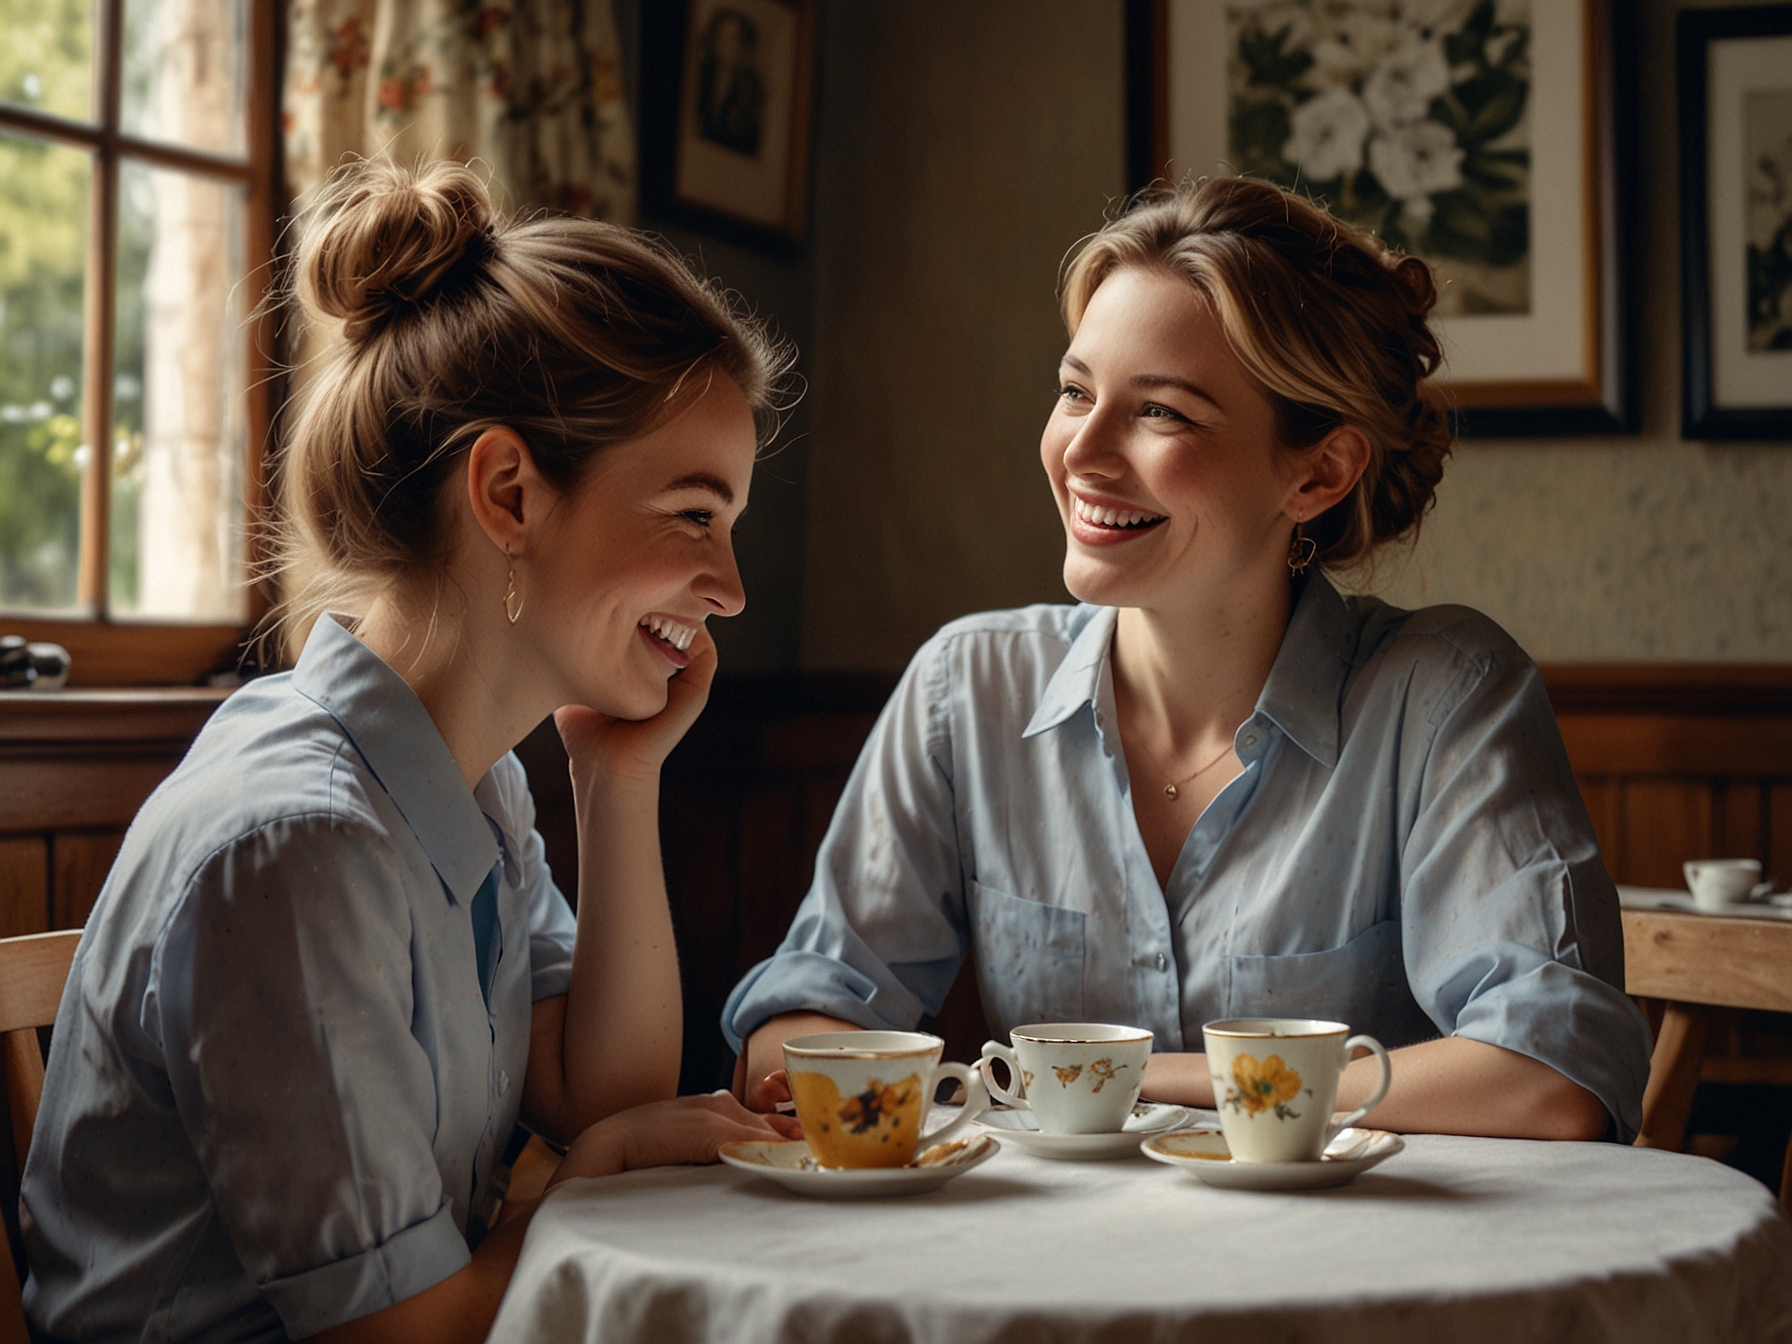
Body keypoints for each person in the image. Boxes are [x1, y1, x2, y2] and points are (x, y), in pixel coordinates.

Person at [21, 158, 799, 1344]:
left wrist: (616, 778)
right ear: (508, 494)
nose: (731, 591)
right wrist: (589, 1183)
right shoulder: (303, 846)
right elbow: (403, 1335)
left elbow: (606, 1095)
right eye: (694, 515)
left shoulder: (464, 782)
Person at [725, 177, 1653, 1143]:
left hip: (1357, 1281)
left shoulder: (1447, 697)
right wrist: (805, 1054)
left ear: (1318, 472)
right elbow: (804, 1014)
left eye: (1160, 412)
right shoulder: (968, 689)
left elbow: (1552, 1075)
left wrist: (1113, 1081)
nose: (1079, 451)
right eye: (1076, 391)